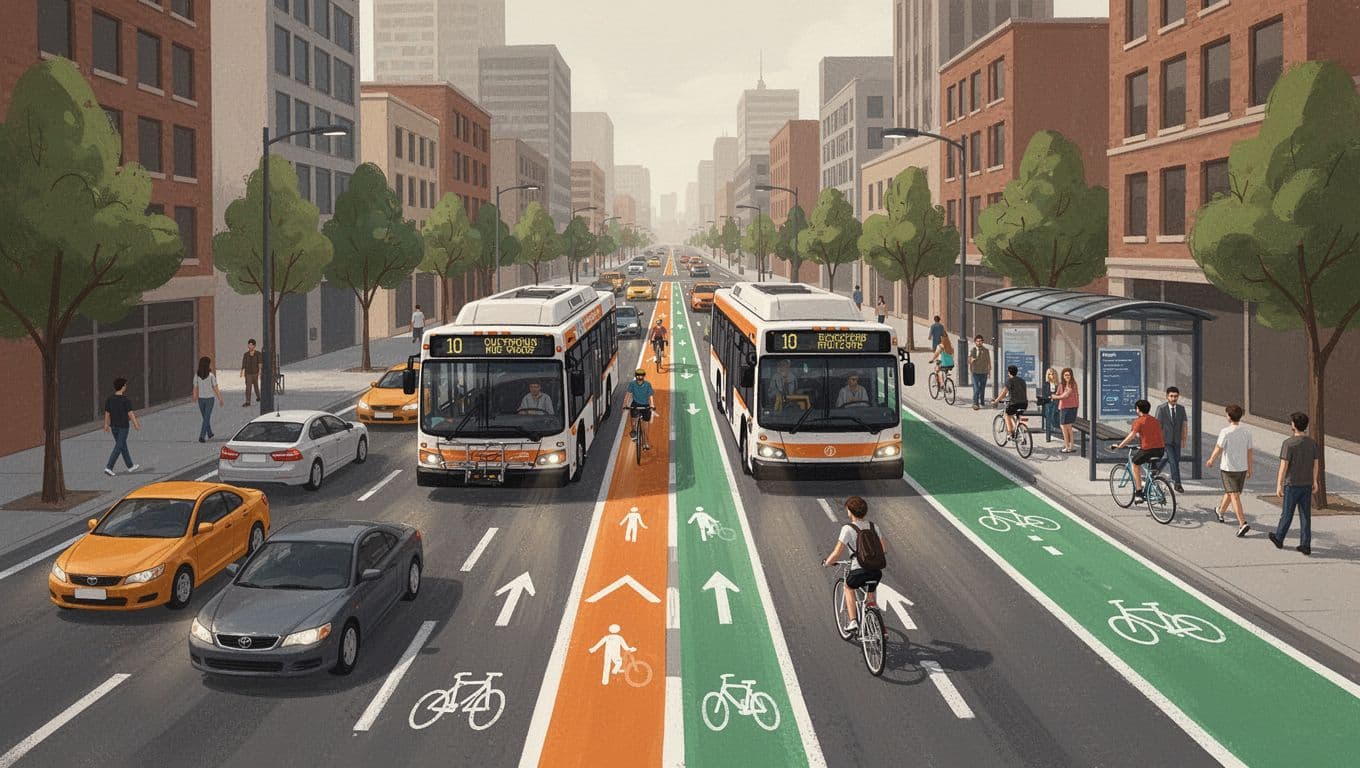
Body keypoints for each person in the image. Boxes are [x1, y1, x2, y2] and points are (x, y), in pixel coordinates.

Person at [822, 496, 888, 632]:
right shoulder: (873, 526)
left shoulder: (847, 528)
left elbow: (837, 553)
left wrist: (827, 563)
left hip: (859, 570)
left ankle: (853, 621)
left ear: (850, 511)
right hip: (876, 571)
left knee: (848, 587)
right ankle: (879, 627)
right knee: (870, 597)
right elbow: (883, 549)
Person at [1270, 411, 1319, 555]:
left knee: (1287, 513)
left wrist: (1279, 485)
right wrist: (1314, 481)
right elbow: (1315, 464)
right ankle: (1305, 544)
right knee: (1305, 515)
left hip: (1291, 484)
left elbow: (1283, 466)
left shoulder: (1288, 444)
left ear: (1293, 425)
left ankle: (1279, 537)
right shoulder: (1312, 443)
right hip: (1306, 484)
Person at [1205, 404, 1252, 537]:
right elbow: (1249, 451)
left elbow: (1218, 448)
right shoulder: (1247, 432)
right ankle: (1220, 511)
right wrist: (1250, 468)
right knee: (1233, 493)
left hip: (1228, 469)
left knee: (1233, 494)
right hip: (1242, 468)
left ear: (1229, 417)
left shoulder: (1225, 432)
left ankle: (1242, 524)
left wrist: (1211, 460)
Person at [1111, 399, 1165, 501]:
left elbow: (1131, 436)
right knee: (1148, 463)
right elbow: (1153, 435)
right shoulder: (1155, 420)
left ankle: (1139, 492)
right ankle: (1152, 480)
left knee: (1135, 464)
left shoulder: (1139, 421)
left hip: (1148, 450)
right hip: (1160, 450)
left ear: (1138, 409)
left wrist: (1120, 446)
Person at [102, 378, 141, 477]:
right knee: (119, 447)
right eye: (125, 385)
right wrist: (136, 424)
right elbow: (130, 414)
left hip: (114, 426)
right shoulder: (125, 400)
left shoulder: (110, 399)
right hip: (123, 427)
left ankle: (130, 466)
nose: (126, 386)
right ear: (123, 387)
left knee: (122, 445)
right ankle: (109, 467)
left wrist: (106, 424)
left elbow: (107, 413)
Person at [1155, 386, 1189, 492]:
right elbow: (1157, 426)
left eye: (1176, 396)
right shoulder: (1161, 409)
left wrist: (1184, 439)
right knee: (1173, 462)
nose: (1174, 398)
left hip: (1177, 440)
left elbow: (1184, 425)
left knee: (1174, 460)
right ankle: (1177, 484)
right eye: (1171, 396)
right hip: (1165, 441)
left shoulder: (1181, 409)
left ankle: (1154, 472)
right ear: (1167, 396)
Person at [193, 356, 224, 443]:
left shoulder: (197, 376)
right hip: (210, 399)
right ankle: (205, 435)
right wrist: (220, 398)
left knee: (206, 417)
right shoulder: (211, 376)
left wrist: (195, 397)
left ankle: (205, 434)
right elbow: (215, 388)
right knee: (206, 417)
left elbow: (195, 387)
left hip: (201, 399)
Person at [624, 368, 655, 450]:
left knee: (645, 427)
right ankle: (634, 430)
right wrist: (625, 404)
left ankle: (645, 442)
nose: (640, 377)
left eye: (641, 376)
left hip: (645, 406)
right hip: (635, 404)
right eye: (638, 376)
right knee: (633, 420)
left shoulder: (648, 385)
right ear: (636, 376)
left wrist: (652, 404)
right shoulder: (632, 384)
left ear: (643, 376)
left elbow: (650, 395)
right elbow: (628, 394)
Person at [1054, 368, 1079, 453]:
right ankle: (1070, 446)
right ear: (1063, 376)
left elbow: (1064, 396)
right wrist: (1055, 395)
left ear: (1071, 375)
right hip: (1065, 407)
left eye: (1068, 375)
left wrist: (1054, 397)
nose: (1067, 376)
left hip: (1068, 408)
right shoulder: (1062, 384)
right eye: (1065, 375)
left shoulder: (1072, 384)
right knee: (1067, 427)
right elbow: (1058, 393)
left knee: (1065, 427)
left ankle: (1068, 447)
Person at [968, 335, 991, 410]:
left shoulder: (986, 350)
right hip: (975, 372)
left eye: (980, 341)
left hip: (984, 372)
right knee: (976, 389)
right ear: (975, 342)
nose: (979, 342)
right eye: (977, 341)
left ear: (982, 342)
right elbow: (969, 360)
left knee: (982, 388)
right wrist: (971, 360)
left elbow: (988, 361)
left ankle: (982, 401)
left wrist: (989, 371)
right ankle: (975, 403)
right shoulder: (973, 350)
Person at [1039, 368, 1060, 441]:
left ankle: (1056, 427)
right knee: (1048, 419)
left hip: (1056, 402)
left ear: (1055, 374)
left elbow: (1060, 394)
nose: (1051, 376)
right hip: (1048, 403)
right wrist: (1049, 396)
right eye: (1049, 374)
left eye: (1053, 374)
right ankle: (1048, 437)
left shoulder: (1058, 384)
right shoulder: (1046, 384)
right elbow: (1044, 394)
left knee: (1055, 417)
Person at [240, 339, 261, 407]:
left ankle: (258, 396)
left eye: (251, 345)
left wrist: (260, 371)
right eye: (249, 345)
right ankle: (248, 401)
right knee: (248, 387)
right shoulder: (246, 354)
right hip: (248, 373)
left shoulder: (258, 354)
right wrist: (242, 371)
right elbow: (244, 363)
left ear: (254, 346)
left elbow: (260, 363)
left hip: (255, 372)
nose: (250, 346)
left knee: (256, 386)